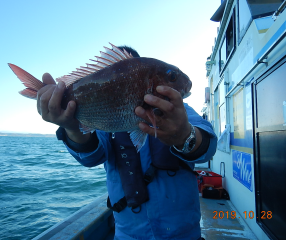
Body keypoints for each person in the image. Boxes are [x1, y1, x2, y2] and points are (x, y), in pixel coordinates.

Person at [37, 46, 217, 240]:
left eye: (172, 76)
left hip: (184, 234)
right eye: (173, 77)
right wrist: (71, 127)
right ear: (148, 81)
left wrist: (185, 134)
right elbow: (91, 157)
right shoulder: (105, 122)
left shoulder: (179, 112)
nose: (181, 81)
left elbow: (208, 147)